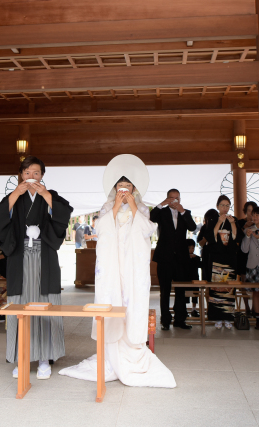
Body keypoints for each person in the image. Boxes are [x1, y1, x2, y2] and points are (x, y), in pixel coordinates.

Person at [60, 155, 176, 388]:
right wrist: (115, 206)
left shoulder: (141, 208)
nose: (124, 189)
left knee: (132, 301)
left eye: (128, 186)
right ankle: (110, 350)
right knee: (112, 298)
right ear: (115, 188)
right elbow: (101, 230)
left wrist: (132, 205)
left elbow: (147, 231)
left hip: (132, 264)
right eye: (120, 186)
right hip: (113, 263)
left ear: (134, 188)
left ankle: (133, 348)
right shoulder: (107, 207)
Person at [0, 156, 73, 380]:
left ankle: (45, 358)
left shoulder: (50, 195)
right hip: (20, 257)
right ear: (21, 175)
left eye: (36, 173)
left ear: (42, 176)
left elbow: (64, 214)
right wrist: (14, 194)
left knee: (44, 305)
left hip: (44, 257)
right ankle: (21, 358)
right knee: (21, 306)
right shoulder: (14, 197)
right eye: (27, 173)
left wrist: (46, 196)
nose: (31, 177)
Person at [150, 188, 197, 330]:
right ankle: (165, 320)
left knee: (181, 289)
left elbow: (192, 227)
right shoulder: (162, 212)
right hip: (165, 257)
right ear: (167, 199)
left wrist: (182, 211)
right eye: (172, 198)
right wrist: (162, 203)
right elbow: (151, 217)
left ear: (180, 199)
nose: (175, 201)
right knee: (165, 290)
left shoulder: (185, 213)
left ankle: (180, 319)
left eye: (177, 198)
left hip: (181, 258)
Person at [202, 195, 240, 330]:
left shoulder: (233, 219)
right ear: (217, 206)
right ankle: (217, 317)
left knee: (229, 289)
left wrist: (233, 223)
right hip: (216, 258)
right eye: (222, 205)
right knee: (216, 288)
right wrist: (219, 222)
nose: (225, 208)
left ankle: (228, 317)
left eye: (227, 205)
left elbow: (236, 238)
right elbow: (210, 237)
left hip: (229, 258)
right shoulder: (212, 219)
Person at [241, 206, 259, 330]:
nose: (254, 217)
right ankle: (258, 318)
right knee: (255, 292)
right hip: (252, 265)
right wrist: (248, 236)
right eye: (253, 215)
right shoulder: (248, 230)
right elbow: (244, 250)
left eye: (257, 215)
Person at [185, 238, 203, 317]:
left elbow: (200, 265)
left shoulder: (196, 257)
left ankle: (194, 309)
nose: (191, 250)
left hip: (195, 279)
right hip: (186, 279)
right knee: (186, 294)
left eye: (193, 248)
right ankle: (185, 309)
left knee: (195, 294)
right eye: (189, 248)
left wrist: (195, 258)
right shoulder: (183, 258)